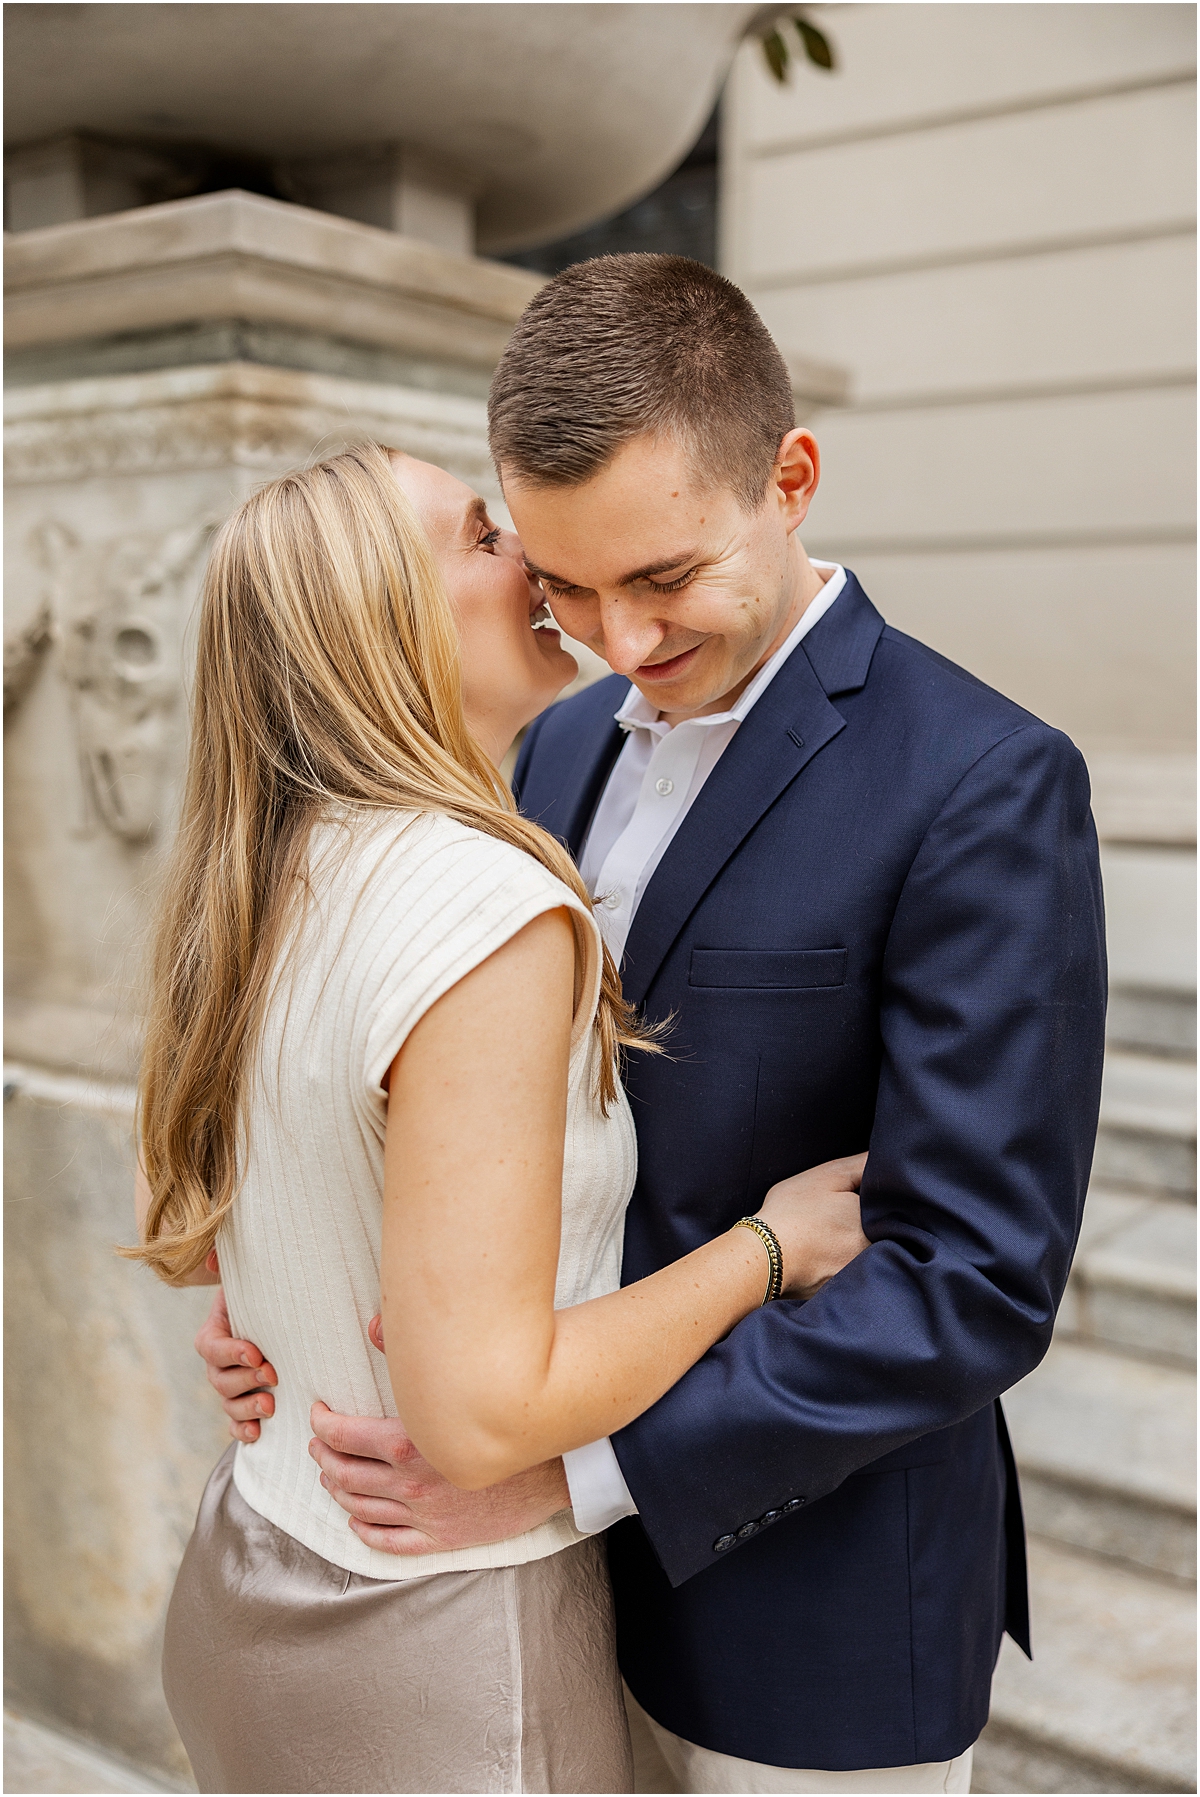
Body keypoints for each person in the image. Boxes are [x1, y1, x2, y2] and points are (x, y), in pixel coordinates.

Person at [200, 255, 1107, 1794]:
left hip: (809, 1623)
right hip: (530, 1598)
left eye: (664, 577)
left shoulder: (983, 781)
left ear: (790, 479)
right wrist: (296, 1306)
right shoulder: (544, 750)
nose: (618, 639)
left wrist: (572, 1475)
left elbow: (970, 1280)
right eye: (563, 584)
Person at [131, 438, 871, 1795]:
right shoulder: (486, 909)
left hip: (249, 1573)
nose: (529, 556)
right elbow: (479, 1422)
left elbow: (180, 1227)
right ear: (381, 627)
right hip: (437, 1654)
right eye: (480, 536)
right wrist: (768, 1249)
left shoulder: (256, 875)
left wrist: (289, 1301)